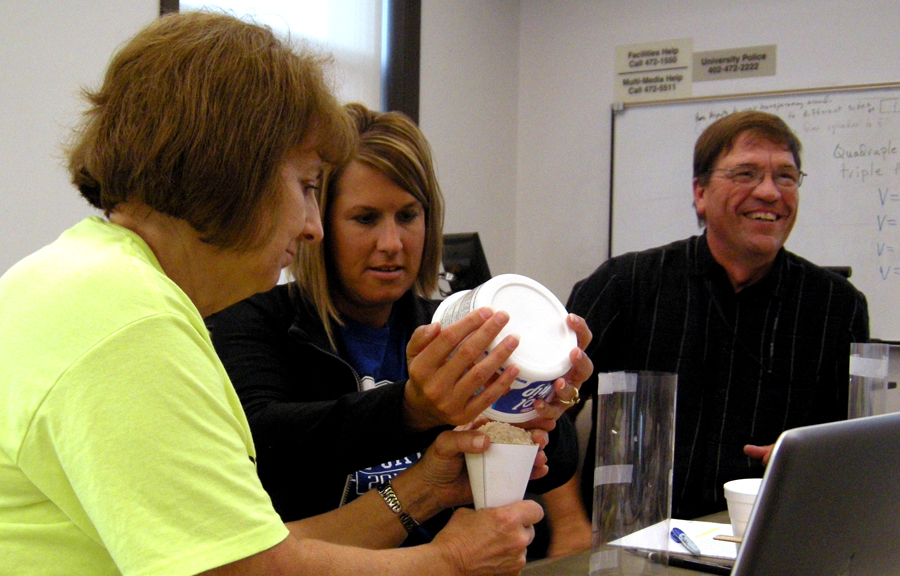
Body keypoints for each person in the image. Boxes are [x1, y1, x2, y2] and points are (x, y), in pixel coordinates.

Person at [0, 12, 546, 576]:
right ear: (233, 173)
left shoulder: (92, 282)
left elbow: (251, 549)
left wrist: (424, 490)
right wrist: (451, 560)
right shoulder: (129, 320)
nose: (312, 227)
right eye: (307, 186)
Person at [205, 102, 591, 543]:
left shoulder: (448, 327)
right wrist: (411, 410)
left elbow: (555, 467)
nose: (391, 243)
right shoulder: (254, 320)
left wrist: (542, 406)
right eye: (365, 218)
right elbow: (263, 443)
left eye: (407, 216)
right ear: (318, 223)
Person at [556, 110, 870, 535]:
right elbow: (543, 411)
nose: (769, 192)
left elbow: (853, 446)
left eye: (786, 176)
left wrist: (808, 456)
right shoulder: (625, 284)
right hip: (632, 542)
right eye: (746, 174)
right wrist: (568, 525)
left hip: (769, 541)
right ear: (700, 192)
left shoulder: (837, 306)